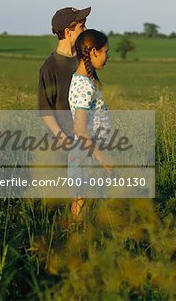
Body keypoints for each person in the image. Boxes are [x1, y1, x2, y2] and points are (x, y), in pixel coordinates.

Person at [37, 6, 90, 217]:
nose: (86, 29)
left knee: (85, 194)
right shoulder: (49, 67)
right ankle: (69, 235)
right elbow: (45, 110)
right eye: (81, 25)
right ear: (69, 32)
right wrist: (63, 138)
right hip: (64, 140)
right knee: (68, 197)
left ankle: (82, 233)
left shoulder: (84, 61)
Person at [68, 29, 112, 217]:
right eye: (105, 51)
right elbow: (79, 127)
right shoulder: (85, 85)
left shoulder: (83, 80)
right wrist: (101, 157)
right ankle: (76, 237)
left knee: (84, 198)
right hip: (88, 151)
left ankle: (83, 235)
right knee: (81, 200)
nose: (107, 56)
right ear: (94, 52)